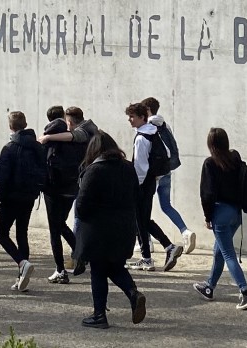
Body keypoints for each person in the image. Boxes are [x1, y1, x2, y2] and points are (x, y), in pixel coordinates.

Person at [76, 132, 149, 329]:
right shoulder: (128, 167)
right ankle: (133, 293)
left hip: (99, 230)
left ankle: (99, 314)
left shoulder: (94, 171)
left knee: (98, 270)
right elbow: (136, 195)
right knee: (115, 266)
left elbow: (81, 206)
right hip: (124, 228)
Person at [194, 127, 247, 310]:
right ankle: (209, 287)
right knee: (219, 250)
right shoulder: (235, 160)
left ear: (210, 144)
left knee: (228, 254)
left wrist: (208, 217)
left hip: (220, 213)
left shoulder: (210, 163)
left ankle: (245, 292)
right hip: (236, 214)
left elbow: (207, 194)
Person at [41, 105, 97, 283]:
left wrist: (46, 138)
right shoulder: (81, 140)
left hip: (53, 190)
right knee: (60, 224)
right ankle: (81, 254)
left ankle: (60, 270)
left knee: (54, 230)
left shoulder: (55, 141)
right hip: (72, 188)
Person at [0, 111, 48, 291]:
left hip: (10, 198)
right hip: (29, 196)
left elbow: (2, 176)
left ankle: (22, 263)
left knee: (2, 234)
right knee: (22, 233)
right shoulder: (37, 147)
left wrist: (0, 196)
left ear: (11, 126)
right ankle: (22, 277)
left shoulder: (9, 148)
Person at [127, 102, 183, 272]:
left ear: (142, 117)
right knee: (142, 220)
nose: (130, 120)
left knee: (140, 219)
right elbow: (166, 154)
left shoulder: (142, 138)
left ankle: (154, 254)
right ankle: (155, 253)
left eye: (132, 117)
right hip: (151, 181)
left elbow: (140, 167)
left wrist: (135, 186)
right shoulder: (154, 132)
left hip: (142, 184)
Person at [143, 97, 198, 254]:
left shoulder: (148, 127)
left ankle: (146, 242)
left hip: (152, 174)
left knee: (143, 207)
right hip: (166, 171)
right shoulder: (165, 125)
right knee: (166, 205)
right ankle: (185, 231)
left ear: (147, 110)